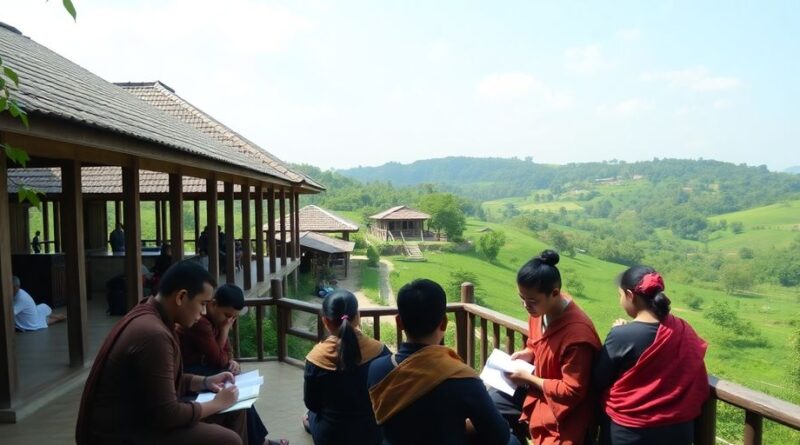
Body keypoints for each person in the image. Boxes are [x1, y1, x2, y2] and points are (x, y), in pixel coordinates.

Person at [76, 261, 247, 445]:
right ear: (181, 297)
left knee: (235, 410)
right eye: (202, 303)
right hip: (122, 433)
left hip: (143, 419)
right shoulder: (154, 334)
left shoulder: (153, 316)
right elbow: (168, 415)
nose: (203, 312)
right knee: (227, 440)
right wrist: (217, 403)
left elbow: (165, 381)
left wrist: (206, 382)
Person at [368, 279, 517, 445]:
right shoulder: (462, 378)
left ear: (399, 322)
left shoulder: (376, 369)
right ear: (444, 323)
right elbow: (499, 435)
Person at [592, 266, 708, 445]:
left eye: (620, 295)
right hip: (678, 432)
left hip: (630, 433)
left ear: (630, 295)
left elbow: (598, 379)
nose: (620, 301)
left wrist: (619, 333)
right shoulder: (683, 329)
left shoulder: (622, 335)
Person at [505, 250, 601, 445]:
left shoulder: (577, 336)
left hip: (565, 411)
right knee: (489, 409)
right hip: (537, 393)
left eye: (531, 301)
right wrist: (527, 353)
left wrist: (528, 378)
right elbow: (535, 343)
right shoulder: (541, 310)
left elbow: (572, 391)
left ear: (555, 293)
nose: (525, 305)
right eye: (521, 298)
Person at [304, 289, 389, 445]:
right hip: (373, 435)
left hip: (330, 437)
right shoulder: (380, 352)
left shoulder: (315, 359)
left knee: (308, 415)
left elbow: (312, 404)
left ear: (325, 321)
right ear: (357, 317)